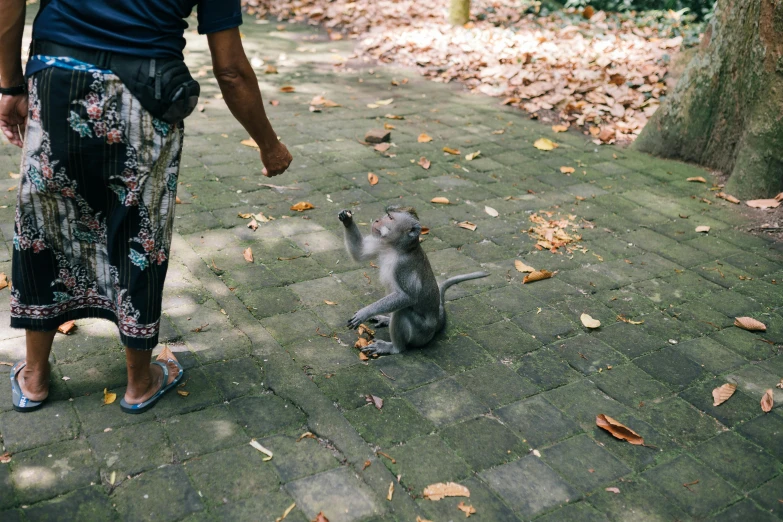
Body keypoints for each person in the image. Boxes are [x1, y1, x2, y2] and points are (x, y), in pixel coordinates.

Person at [0, 0, 292, 413]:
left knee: (43, 228)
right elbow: (230, 69)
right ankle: (139, 382)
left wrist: (10, 85)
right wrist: (269, 145)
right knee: (139, 230)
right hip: (147, 90)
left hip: (56, 75)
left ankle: (34, 378)